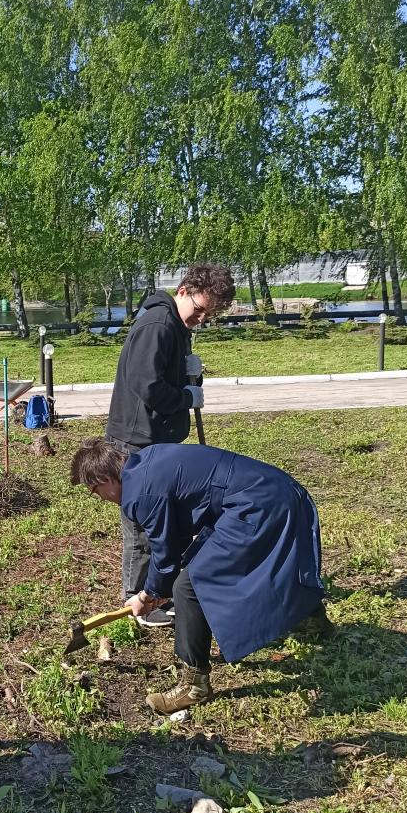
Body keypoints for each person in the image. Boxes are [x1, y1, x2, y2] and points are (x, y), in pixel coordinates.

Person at [71, 437, 329, 714]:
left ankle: (195, 685)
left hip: (257, 506)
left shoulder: (139, 493)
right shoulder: (147, 461)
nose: (99, 497)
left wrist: (149, 593)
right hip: (276, 490)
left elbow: (164, 551)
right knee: (206, 569)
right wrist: (157, 589)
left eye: (94, 490)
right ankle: (313, 621)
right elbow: (176, 535)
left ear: (104, 477)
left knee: (188, 586)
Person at [106, 264, 236, 624]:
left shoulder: (176, 326)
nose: (202, 318)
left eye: (209, 314)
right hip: (137, 440)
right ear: (183, 290)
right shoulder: (158, 325)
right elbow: (146, 385)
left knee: (164, 520)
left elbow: (162, 374)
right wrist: (185, 396)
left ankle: (159, 592)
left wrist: (188, 371)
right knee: (144, 525)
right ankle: (138, 602)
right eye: (199, 310)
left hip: (156, 438)